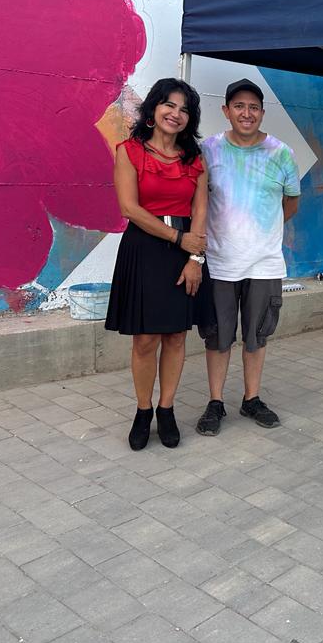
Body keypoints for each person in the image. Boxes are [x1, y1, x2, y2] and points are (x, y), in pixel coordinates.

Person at [105, 78, 208, 450]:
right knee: (146, 338)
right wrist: (179, 239)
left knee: (176, 335)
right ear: (154, 109)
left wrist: (194, 257)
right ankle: (143, 410)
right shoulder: (129, 152)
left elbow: (200, 211)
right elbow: (129, 209)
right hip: (145, 249)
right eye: (169, 105)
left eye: (184, 109)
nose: (175, 114)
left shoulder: (195, 159)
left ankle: (167, 410)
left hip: (185, 254)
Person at [196, 79, 300, 436]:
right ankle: (215, 402)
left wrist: (261, 230)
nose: (246, 113)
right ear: (226, 111)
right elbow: (198, 201)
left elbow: (291, 202)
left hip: (264, 263)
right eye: (239, 106)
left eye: (253, 107)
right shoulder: (208, 151)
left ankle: (251, 398)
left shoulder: (281, 153)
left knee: (257, 336)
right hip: (219, 262)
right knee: (218, 336)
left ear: (262, 113)